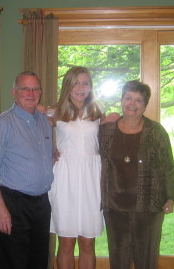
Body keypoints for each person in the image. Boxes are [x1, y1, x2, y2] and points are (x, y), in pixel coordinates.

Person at [99, 80, 174, 269]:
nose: (132, 104)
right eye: (128, 98)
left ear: (145, 105)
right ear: (121, 100)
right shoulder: (106, 130)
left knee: (147, 260)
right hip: (115, 207)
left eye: (138, 100)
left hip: (149, 207)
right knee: (118, 260)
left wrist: (170, 197)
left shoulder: (156, 132)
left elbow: (168, 167)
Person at [47, 66, 117, 269]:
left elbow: (107, 140)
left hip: (91, 178)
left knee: (88, 242)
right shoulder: (54, 112)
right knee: (66, 242)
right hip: (65, 177)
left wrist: (113, 119)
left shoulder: (97, 110)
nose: (81, 87)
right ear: (67, 86)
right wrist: (51, 152)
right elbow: (37, 137)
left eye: (85, 83)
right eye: (76, 83)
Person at [0, 71, 54, 269]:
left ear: (40, 92)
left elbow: (44, 156)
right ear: (14, 92)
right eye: (25, 89)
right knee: (15, 262)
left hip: (41, 203)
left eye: (35, 89)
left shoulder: (44, 122)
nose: (31, 93)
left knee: (38, 261)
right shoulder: (2, 124)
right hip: (13, 204)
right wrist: (0, 208)